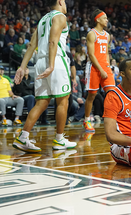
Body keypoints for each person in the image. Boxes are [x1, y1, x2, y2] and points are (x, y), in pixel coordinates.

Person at [12, 0, 77, 152]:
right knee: (63, 101)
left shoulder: (43, 20)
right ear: (60, 1)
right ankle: (59, 140)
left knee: (41, 102)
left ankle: (23, 137)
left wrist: (22, 67)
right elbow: (53, 41)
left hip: (39, 62)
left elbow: (31, 45)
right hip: (55, 61)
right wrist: (52, 65)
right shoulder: (60, 16)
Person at [84, 9, 115, 132]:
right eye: (105, 18)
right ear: (97, 19)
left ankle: (112, 119)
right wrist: (101, 69)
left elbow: (107, 52)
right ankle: (86, 120)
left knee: (112, 94)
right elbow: (91, 55)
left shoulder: (107, 35)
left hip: (104, 66)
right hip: (93, 67)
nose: (107, 20)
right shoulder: (91, 34)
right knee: (92, 95)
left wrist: (107, 66)